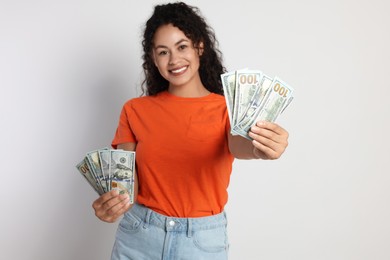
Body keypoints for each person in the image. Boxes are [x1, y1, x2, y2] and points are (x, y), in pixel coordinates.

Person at [92, 2, 289, 259]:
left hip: (201, 244)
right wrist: (111, 206)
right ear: (153, 58)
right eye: (163, 52)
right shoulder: (135, 110)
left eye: (182, 46)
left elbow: (240, 145)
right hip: (138, 238)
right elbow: (126, 188)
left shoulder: (226, 109)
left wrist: (263, 147)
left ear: (200, 46)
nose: (174, 60)